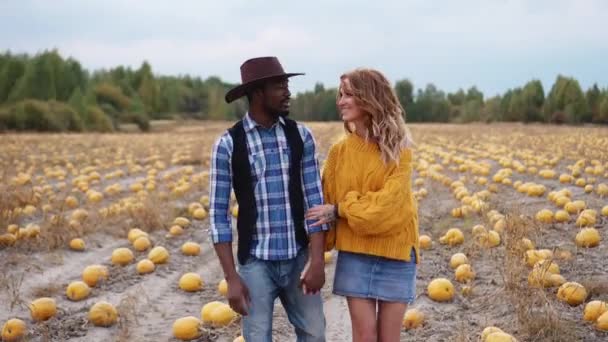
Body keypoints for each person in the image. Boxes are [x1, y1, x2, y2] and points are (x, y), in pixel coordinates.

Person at [209, 56, 328, 342]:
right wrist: (231, 279)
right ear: (258, 92)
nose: (288, 92)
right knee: (257, 337)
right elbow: (218, 216)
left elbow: (315, 202)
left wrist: (317, 261)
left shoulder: (301, 136)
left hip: (298, 258)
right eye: (280, 86)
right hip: (255, 264)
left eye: (287, 84)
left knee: (315, 334)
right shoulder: (228, 144)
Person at [305, 68, 420, 342]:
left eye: (348, 95)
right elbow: (325, 206)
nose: (341, 101)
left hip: (396, 253)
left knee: (389, 338)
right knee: (365, 336)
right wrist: (317, 254)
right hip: (355, 254)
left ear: (369, 99)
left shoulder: (399, 150)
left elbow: (387, 209)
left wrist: (342, 210)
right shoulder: (339, 153)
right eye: (340, 95)